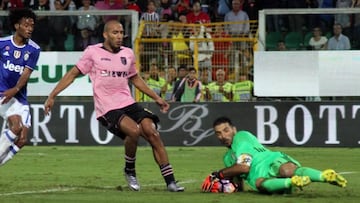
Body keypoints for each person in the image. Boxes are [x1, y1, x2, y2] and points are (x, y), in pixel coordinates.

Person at [43, 20, 184, 192]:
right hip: (107, 107)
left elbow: (135, 78)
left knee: (151, 132)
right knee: (134, 131)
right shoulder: (92, 52)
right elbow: (72, 74)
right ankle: (130, 170)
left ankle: (171, 181)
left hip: (128, 103)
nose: (119, 36)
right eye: (115, 33)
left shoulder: (128, 53)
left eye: (121, 32)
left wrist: (156, 98)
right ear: (105, 35)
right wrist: (52, 95)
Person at [202, 116, 348, 194]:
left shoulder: (241, 137)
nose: (223, 135)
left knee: (286, 170)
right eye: (218, 133)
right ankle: (294, 181)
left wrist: (219, 174)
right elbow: (238, 183)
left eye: (226, 130)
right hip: (260, 175)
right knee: (261, 182)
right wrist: (225, 187)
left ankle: (324, 176)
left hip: (271, 159)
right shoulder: (227, 158)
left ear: (234, 129)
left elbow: (243, 168)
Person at [0, 8, 40, 166]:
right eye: (26, 25)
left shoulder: (34, 49)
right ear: (17, 26)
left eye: (32, 25)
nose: (30, 28)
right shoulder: (2, 44)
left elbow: (26, 74)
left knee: (22, 139)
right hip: (3, 93)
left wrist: (15, 90)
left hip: (19, 97)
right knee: (16, 127)